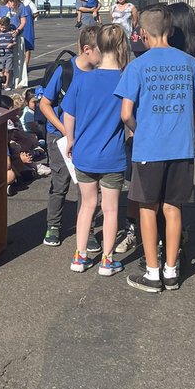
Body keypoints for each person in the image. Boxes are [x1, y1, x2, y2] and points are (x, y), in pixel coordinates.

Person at [115, 4, 195, 293]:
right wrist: (189, 127)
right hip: (181, 148)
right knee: (173, 208)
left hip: (149, 148)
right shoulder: (189, 63)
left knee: (148, 208)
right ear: (170, 31)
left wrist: (138, 128)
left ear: (143, 34)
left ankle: (152, 271)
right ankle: (172, 271)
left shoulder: (137, 66)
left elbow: (125, 113)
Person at [62, 24, 130, 277]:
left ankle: (80, 255)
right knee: (111, 208)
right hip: (112, 155)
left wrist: (70, 138)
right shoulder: (125, 79)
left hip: (85, 153)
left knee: (87, 205)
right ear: (122, 46)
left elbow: (69, 113)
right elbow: (130, 116)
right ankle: (107, 259)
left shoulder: (84, 78)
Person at [39, 25, 101, 247]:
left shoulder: (100, 71)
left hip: (88, 136)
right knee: (60, 181)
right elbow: (45, 104)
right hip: (60, 135)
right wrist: (66, 131)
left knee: (89, 186)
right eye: (101, 49)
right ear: (87, 49)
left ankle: (89, 229)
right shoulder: (66, 71)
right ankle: (53, 225)